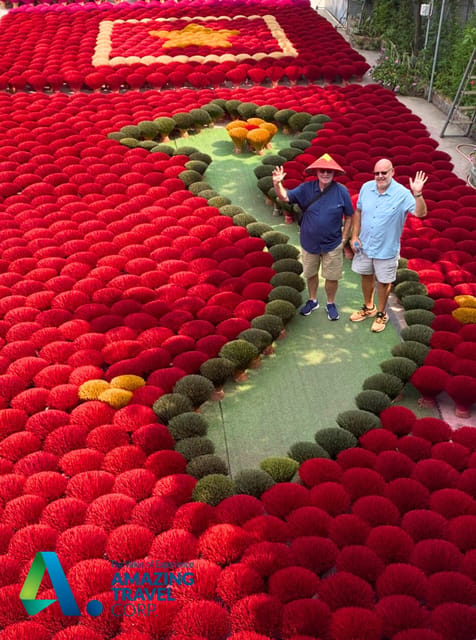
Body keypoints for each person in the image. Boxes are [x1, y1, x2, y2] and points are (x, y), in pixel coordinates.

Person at [272, 153, 354, 320]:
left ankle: (330, 303)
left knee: (331, 277)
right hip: (309, 242)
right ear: (316, 172)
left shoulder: (341, 191)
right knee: (310, 273)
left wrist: (344, 239)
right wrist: (277, 183)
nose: (325, 174)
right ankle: (313, 300)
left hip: (332, 244)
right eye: (322, 170)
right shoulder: (306, 188)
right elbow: (285, 196)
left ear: (334, 174)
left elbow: (350, 216)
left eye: (329, 171)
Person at [349, 159, 428, 333]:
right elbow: (358, 211)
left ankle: (381, 314)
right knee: (366, 275)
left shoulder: (402, 193)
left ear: (392, 172)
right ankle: (369, 308)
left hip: (387, 249)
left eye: (384, 172)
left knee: (384, 282)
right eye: (377, 173)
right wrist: (354, 235)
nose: (380, 176)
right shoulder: (366, 188)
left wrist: (418, 194)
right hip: (365, 245)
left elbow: (421, 213)